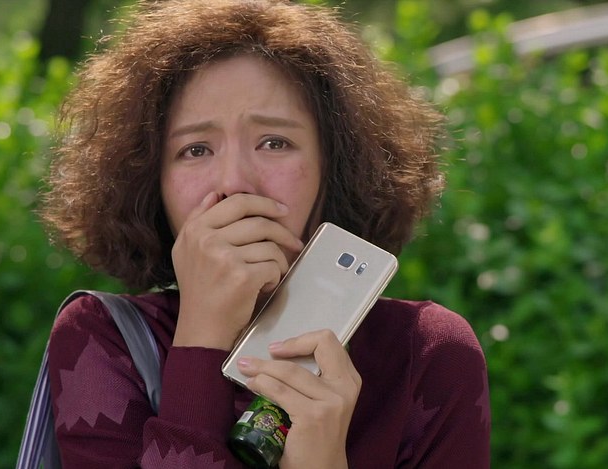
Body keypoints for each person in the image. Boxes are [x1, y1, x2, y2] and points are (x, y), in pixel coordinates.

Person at [39, 0, 491, 467]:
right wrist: (201, 336)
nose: (234, 182)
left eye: (275, 142)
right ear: (150, 180)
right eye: (196, 149)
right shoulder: (100, 339)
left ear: (335, 169)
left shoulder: (429, 353)